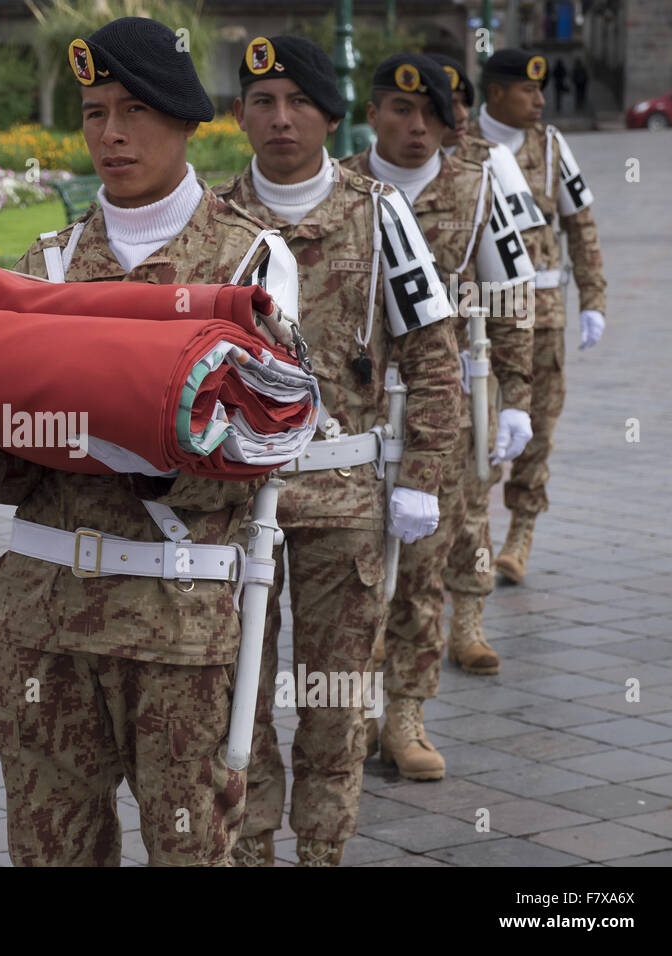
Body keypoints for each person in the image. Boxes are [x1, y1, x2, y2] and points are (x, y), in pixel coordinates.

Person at [0, 17, 302, 867]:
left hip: (177, 625)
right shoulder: (47, 264)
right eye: (94, 112)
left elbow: (269, 442)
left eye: (134, 112)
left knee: (192, 851)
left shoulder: (249, 263)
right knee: (50, 853)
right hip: (43, 619)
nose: (110, 134)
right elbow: (12, 466)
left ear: (185, 120)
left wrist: (158, 448)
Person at [213, 36, 460, 865]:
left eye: (297, 102)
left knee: (334, 699)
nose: (279, 120)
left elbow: (433, 358)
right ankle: (250, 852)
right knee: (235, 702)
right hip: (233, 506)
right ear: (240, 113)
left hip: (344, 499)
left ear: (328, 114)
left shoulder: (378, 213)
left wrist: (421, 477)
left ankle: (322, 851)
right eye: (261, 102)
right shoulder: (213, 219)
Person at [344, 53, 536, 779]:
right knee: (353, 567)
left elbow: (512, 295)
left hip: (439, 405)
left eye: (431, 113)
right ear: (372, 114)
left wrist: (515, 397)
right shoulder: (342, 186)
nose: (417, 127)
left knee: (423, 560)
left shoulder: (475, 186)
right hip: (354, 408)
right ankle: (354, 707)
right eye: (400, 110)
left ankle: (405, 715)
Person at [469, 50, 606, 588]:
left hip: (543, 315)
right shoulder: (465, 145)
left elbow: (582, 226)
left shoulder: (551, 147)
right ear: (497, 93)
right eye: (529, 91)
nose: (541, 100)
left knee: (537, 431)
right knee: (475, 429)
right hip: (478, 318)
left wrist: (593, 299)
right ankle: (470, 540)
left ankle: (519, 535)